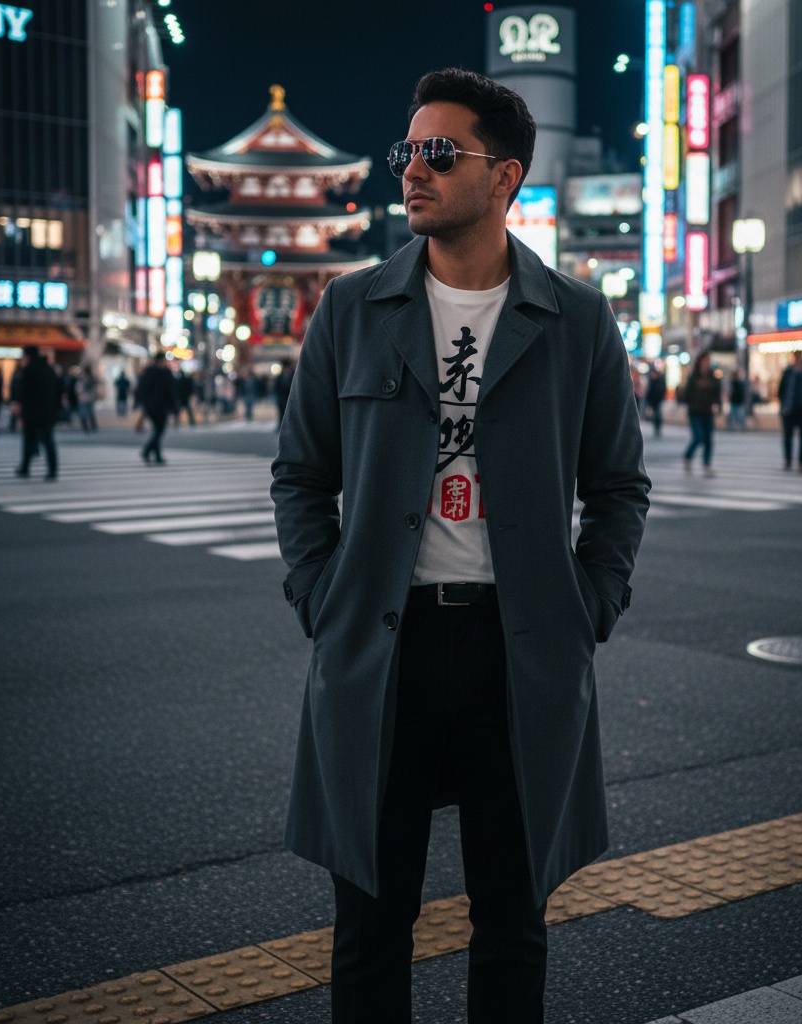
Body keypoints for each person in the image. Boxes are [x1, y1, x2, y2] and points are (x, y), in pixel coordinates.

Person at [270, 68, 650, 1024]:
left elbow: (618, 488)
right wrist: (322, 598)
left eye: (442, 153)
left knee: (512, 919)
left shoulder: (575, 320)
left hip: (515, 647)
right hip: (382, 648)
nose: (414, 171)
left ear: (507, 175)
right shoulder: (353, 309)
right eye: (409, 152)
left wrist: (590, 605)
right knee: (368, 920)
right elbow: (301, 476)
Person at [11, 345, 61, 480]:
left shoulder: (28, 370)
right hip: (47, 411)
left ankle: (25, 468)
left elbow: (22, 391)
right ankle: (52, 470)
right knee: (48, 441)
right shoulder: (49, 369)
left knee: (29, 440)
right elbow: (59, 390)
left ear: (27, 356)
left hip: (32, 411)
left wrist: (18, 405)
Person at [681, 351, 721, 475]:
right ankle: (687, 456)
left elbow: (717, 392)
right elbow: (686, 394)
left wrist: (719, 407)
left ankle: (707, 464)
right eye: (704, 361)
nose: (706, 364)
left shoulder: (712, 376)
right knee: (698, 437)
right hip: (695, 412)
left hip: (708, 411)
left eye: (708, 361)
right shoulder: (694, 377)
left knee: (708, 439)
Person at [777, 349, 802, 471]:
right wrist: (783, 405)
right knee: (788, 437)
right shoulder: (788, 372)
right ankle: (788, 461)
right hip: (789, 409)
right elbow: (780, 390)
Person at [135, 351, 177, 464]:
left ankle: (157, 455)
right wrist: (174, 406)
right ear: (162, 361)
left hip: (150, 406)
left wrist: (140, 403)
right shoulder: (165, 373)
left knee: (157, 429)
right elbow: (170, 391)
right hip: (161, 406)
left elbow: (141, 389)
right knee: (159, 430)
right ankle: (148, 450)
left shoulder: (148, 372)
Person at [76, 365, 100, 433]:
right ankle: (93, 427)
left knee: (83, 414)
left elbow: (79, 389)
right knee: (91, 413)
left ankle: (85, 427)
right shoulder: (92, 379)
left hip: (83, 398)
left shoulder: (82, 379)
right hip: (90, 398)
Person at [644, 363, 666, 437]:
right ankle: (656, 427)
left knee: (657, 414)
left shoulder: (660, 380)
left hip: (658, 400)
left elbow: (662, 389)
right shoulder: (651, 380)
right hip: (652, 400)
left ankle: (658, 428)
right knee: (655, 414)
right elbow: (649, 391)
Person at [273, 359, 295, 430]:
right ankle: (280, 426)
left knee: (290, 412)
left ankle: (289, 427)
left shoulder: (293, 375)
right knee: (281, 412)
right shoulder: (280, 376)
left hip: (290, 397)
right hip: (282, 397)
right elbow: (277, 386)